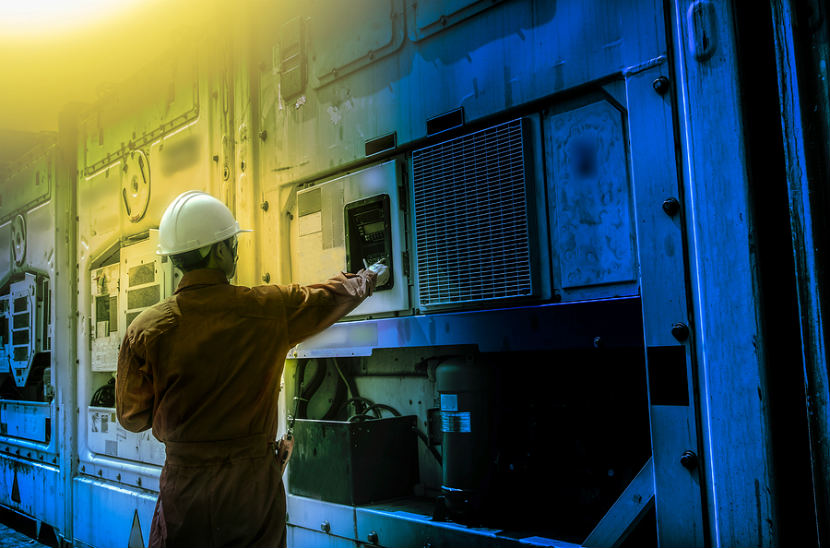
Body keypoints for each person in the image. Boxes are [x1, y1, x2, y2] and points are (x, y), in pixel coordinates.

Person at [115, 190, 389, 548]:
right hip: (252, 488)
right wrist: (368, 278)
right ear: (216, 251)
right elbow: (323, 298)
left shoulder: (145, 330)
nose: (235, 250)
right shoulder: (268, 309)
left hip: (185, 491)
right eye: (231, 243)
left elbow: (132, 418)